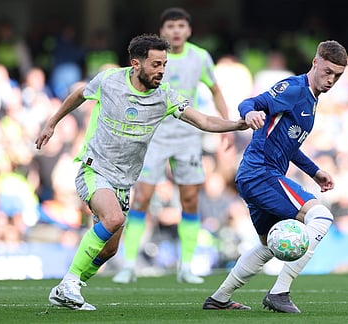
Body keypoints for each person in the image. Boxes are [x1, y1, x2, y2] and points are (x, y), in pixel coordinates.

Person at [35, 33, 248, 311]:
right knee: (113, 218)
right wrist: (52, 123)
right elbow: (78, 94)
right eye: (155, 65)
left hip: (125, 182)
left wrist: (237, 125)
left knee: (109, 250)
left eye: (164, 65)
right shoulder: (110, 80)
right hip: (95, 168)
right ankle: (69, 282)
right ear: (136, 64)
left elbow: (203, 120)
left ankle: (69, 286)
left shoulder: (164, 97)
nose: (161, 71)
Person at [202, 40, 348, 313]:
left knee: (270, 244)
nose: (331, 79)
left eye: (337, 75)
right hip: (261, 173)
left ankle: (219, 298)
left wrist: (314, 172)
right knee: (321, 217)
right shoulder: (294, 89)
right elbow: (250, 102)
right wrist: (252, 113)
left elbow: (288, 145)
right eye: (327, 71)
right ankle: (280, 292)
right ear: (315, 62)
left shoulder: (312, 100)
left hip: (256, 175)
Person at [112, 7, 232, 285]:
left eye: (181, 26)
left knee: (189, 199)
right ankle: (129, 264)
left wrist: (225, 125)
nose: (176, 31)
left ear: (188, 31)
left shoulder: (200, 57)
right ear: (162, 31)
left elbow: (215, 90)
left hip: (188, 135)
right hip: (153, 136)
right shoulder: (152, 58)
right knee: (142, 197)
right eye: (171, 27)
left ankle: (186, 266)